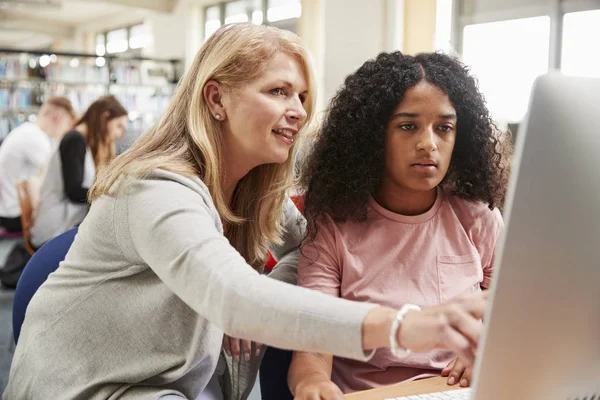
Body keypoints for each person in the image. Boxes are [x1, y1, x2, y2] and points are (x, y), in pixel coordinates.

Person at [3, 25, 488, 400]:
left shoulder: (254, 194)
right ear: (215, 99)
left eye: (301, 96)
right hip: (91, 389)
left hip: (170, 387)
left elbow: (308, 246)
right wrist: (406, 325)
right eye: (278, 92)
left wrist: (263, 298)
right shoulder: (154, 188)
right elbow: (231, 295)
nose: (298, 110)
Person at [288, 51, 510, 398]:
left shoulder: (477, 217)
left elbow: (509, 312)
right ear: (374, 137)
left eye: (444, 128)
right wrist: (312, 382)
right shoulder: (334, 227)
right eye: (408, 126)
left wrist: (490, 346)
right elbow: (315, 344)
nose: (428, 144)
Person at [29, 95, 127, 248]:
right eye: (118, 126)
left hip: (64, 223)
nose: (119, 134)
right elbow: (74, 192)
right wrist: (109, 193)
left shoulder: (81, 140)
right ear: (104, 117)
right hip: (55, 231)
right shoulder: (75, 140)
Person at [0, 96, 75, 232]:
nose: (67, 130)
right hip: (15, 215)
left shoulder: (30, 132)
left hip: (12, 209)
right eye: (67, 124)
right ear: (56, 118)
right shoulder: (34, 137)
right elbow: (59, 175)